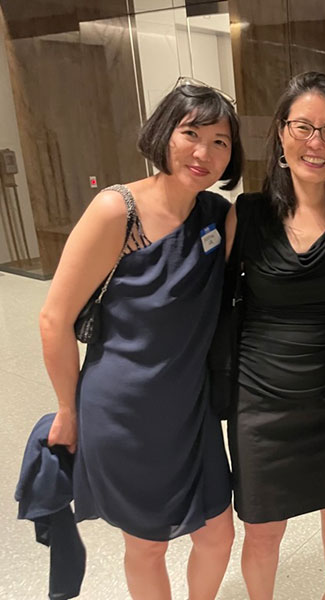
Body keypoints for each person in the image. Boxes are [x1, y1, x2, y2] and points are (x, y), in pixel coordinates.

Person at [40, 79, 243, 600]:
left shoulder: (217, 215)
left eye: (220, 141)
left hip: (191, 406)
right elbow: (53, 318)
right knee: (148, 545)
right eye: (190, 133)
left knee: (218, 533)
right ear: (163, 133)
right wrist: (67, 408)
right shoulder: (117, 209)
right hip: (126, 409)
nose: (204, 152)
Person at [225, 71, 325, 600]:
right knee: (261, 526)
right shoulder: (249, 214)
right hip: (259, 400)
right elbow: (210, 302)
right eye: (304, 126)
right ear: (281, 134)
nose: (317, 142)